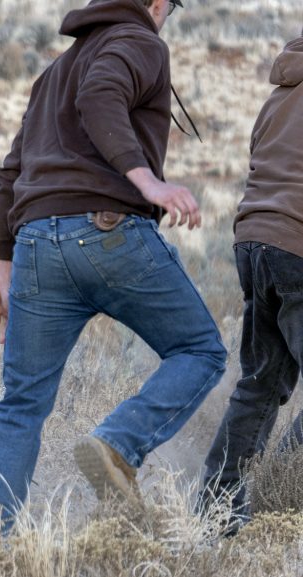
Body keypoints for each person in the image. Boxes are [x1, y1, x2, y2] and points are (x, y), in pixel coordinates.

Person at [0, 0, 227, 554]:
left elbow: (11, 170)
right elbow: (101, 95)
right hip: (108, 232)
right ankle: (118, 443)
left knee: (21, 405)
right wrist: (149, 184)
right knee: (200, 350)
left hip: (35, 245)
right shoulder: (140, 41)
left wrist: (1, 270)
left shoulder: (54, 70)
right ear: (156, 3)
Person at [197, 35, 303, 537]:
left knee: (259, 385)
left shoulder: (277, 96)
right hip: (297, 246)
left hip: (254, 245)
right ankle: (286, 489)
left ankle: (216, 510)